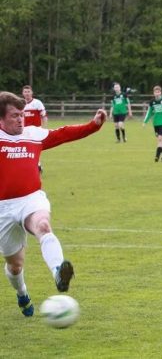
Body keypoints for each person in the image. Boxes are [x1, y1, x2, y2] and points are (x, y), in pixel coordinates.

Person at [0, 91, 106, 316]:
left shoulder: (33, 134)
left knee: (43, 226)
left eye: (22, 114)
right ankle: (22, 293)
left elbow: (64, 134)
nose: (21, 119)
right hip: (3, 209)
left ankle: (59, 271)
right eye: (14, 116)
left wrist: (93, 125)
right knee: (15, 265)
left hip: (31, 198)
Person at [22, 85, 47, 173]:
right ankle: (36, 165)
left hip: (36, 130)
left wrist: (44, 128)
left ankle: (37, 165)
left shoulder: (37, 103)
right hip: (25, 131)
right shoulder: (21, 104)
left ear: (32, 93)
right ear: (23, 93)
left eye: (28, 92)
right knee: (26, 148)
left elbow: (44, 116)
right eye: (25, 92)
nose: (27, 94)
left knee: (35, 148)